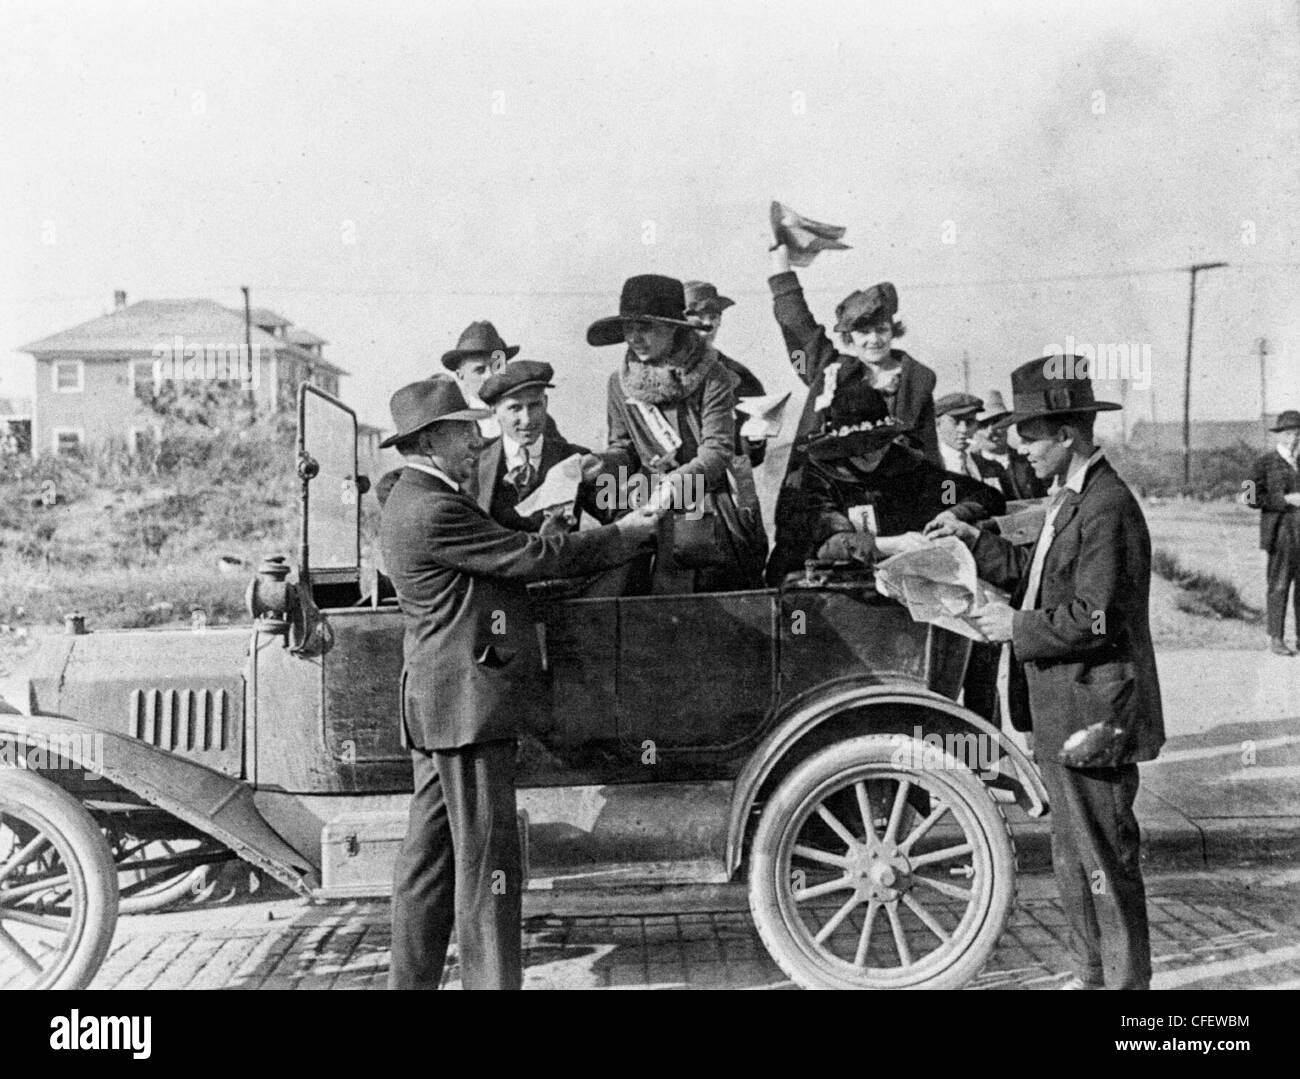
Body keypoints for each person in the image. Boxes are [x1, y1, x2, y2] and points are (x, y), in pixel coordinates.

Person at [379, 378, 659, 990]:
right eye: (463, 430)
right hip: (466, 708)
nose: (477, 439)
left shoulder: (413, 499)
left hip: (440, 707)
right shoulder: (435, 507)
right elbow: (529, 556)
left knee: (428, 864)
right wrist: (622, 534)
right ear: (429, 442)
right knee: (488, 866)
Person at [928, 355, 1164, 991]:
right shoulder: (1075, 497)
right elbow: (1035, 573)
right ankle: (1091, 976)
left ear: (1067, 433)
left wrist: (1018, 629)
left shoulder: (1107, 506)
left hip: (1094, 716)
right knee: (1073, 859)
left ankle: (1126, 994)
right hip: (1065, 711)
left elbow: (1097, 619)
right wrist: (971, 542)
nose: (1017, 447)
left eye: (1029, 435)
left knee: (1105, 863)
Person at [588, 273, 762, 593]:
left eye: (646, 328)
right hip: (649, 505)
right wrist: (599, 464)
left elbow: (717, 450)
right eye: (630, 329)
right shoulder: (619, 383)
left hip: (707, 504)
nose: (635, 338)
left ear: (672, 327)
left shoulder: (714, 375)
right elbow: (623, 448)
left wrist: (676, 486)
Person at [766, 379, 1004, 583]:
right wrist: (894, 544)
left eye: (878, 444)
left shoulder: (907, 466)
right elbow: (829, 544)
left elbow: (986, 496)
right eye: (859, 449)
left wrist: (953, 514)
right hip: (816, 600)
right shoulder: (809, 480)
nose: (872, 455)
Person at [768, 242, 941, 465]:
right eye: (863, 332)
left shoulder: (916, 382)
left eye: (881, 330)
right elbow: (797, 322)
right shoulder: (832, 371)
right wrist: (780, 263)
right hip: (832, 484)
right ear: (850, 337)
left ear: (893, 331)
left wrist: (942, 497)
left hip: (895, 486)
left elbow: (929, 450)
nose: (874, 340)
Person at [684, 279, 769, 466]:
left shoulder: (740, 377)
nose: (707, 324)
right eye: (697, 315)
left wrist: (755, 440)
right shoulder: (651, 373)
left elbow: (751, 458)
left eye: (713, 316)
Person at [1250, 409, 1300, 655]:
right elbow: (1249, 497)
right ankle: (1276, 638)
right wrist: (1285, 499)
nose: (1294, 439)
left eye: (1298, 434)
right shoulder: (1262, 463)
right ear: (1279, 435)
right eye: (1289, 433)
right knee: (1279, 585)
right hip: (1280, 532)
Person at [971, 391, 1047, 500]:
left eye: (998, 422)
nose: (991, 431)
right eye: (984, 425)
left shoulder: (1030, 460)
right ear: (973, 430)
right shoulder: (971, 466)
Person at [935, 392, 1010, 493]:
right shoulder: (931, 467)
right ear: (938, 424)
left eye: (970, 422)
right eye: (955, 422)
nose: (964, 429)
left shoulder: (991, 467)